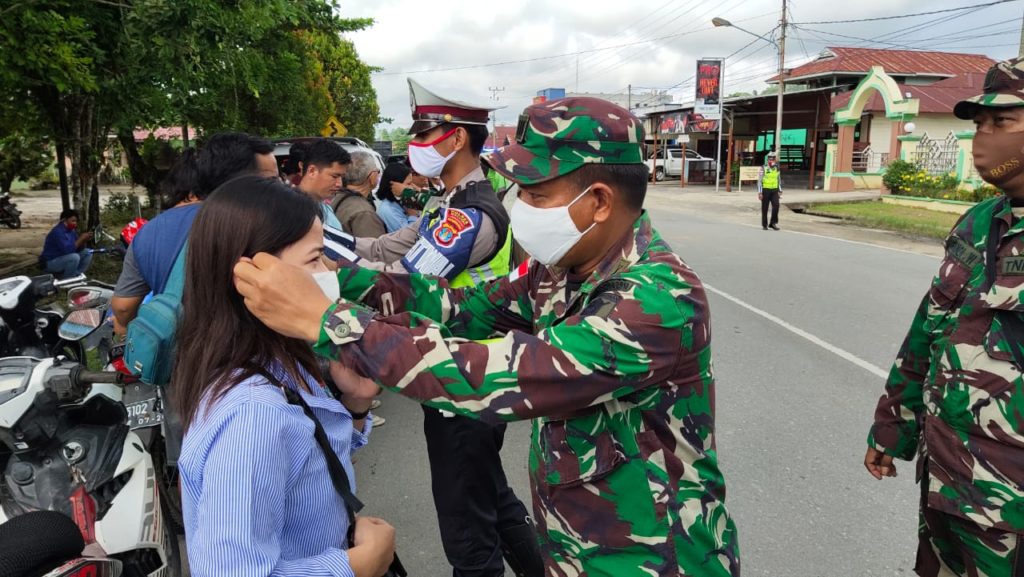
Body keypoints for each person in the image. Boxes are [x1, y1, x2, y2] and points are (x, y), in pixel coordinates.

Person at [235, 96, 741, 577]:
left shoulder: (655, 300)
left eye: (537, 194)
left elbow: (489, 376)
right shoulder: (561, 271)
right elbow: (458, 310)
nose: (520, 205)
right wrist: (334, 281)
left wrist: (326, 322)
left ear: (600, 202)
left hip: (652, 557)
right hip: (579, 543)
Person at [317, 78, 541, 577]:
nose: (415, 143)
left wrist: (321, 278)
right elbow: (378, 251)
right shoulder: (446, 205)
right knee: (491, 495)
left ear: (456, 138)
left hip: (465, 377)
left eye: (424, 131)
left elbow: (405, 279)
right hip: (455, 371)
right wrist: (319, 241)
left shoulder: (470, 213)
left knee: (466, 524)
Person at [174, 175, 395, 577]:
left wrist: (355, 405)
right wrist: (353, 567)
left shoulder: (282, 361)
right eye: (315, 259)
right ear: (251, 278)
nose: (331, 271)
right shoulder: (254, 413)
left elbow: (303, 463)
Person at [864, 56, 1024, 577]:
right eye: (979, 124)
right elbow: (929, 330)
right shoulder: (981, 221)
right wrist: (893, 427)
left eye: (1002, 123)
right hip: (950, 481)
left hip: (1012, 503)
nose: (983, 138)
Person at [111, 133, 278, 331]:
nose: (281, 188)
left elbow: (122, 309)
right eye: (272, 181)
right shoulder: (264, 227)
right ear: (239, 184)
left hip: (178, 356)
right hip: (246, 354)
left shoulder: (149, 231)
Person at [298, 139, 351, 231]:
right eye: (335, 176)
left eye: (341, 177)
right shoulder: (291, 212)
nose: (339, 184)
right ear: (312, 171)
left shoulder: (324, 207)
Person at [332, 150, 387, 238]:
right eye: (378, 171)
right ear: (372, 177)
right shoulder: (364, 213)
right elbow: (375, 249)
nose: (378, 175)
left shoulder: (336, 197)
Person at [40, 209, 93, 279]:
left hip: (63, 258)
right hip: (50, 262)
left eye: (76, 221)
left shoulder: (71, 231)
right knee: (74, 257)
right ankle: (67, 280)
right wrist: (81, 239)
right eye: (73, 221)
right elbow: (68, 250)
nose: (75, 223)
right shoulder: (57, 232)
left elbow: (78, 248)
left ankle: (76, 275)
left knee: (88, 252)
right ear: (64, 220)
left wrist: (84, 240)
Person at [375, 162, 420, 233]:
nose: (412, 187)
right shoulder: (388, 210)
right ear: (394, 185)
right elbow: (408, 237)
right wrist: (413, 215)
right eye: (408, 184)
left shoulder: (402, 202)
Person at [758, 152, 781, 230]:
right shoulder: (763, 168)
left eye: (773, 158)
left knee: (776, 205)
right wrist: (760, 192)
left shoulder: (777, 167)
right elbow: (760, 181)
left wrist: (780, 190)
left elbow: (778, 179)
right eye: (770, 158)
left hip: (774, 190)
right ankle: (764, 224)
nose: (771, 159)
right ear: (768, 159)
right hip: (765, 190)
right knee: (765, 208)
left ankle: (773, 223)